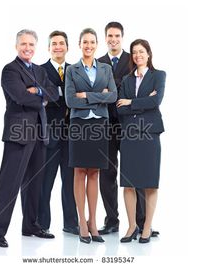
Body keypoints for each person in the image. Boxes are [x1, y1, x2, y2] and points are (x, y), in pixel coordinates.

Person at [0, 29, 59, 247]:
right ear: (16, 46)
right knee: (9, 183)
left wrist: (36, 91)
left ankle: (30, 225)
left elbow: (54, 93)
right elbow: (19, 96)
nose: (27, 48)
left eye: (31, 44)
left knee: (34, 183)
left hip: (39, 133)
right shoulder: (10, 70)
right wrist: (42, 96)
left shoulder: (39, 70)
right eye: (23, 44)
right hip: (18, 133)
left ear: (36, 47)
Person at [65, 28, 117, 244]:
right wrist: (99, 96)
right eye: (85, 42)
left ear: (97, 45)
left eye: (92, 42)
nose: (88, 45)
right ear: (80, 44)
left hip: (99, 125)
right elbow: (70, 100)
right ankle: (82, 224)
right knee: (79, 172)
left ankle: (93, 222)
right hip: (78, 124)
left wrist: (86, 95)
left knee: (94, 173)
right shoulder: (72, 70)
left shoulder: (105, 68)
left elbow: (113, 95)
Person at [98, 21, 150, 236]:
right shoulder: (98, 61)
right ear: (105, 37)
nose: (113, 39)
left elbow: (141, 87)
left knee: (135, 174)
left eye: (117, 36)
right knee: (107, 174)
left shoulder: (134, 58)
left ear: (122, 37)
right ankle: (112, 220)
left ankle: (141, 223)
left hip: (130, 125)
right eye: (110, 36)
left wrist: (111, 87)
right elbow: (94, 90)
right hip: (105, 126)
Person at [117, 39, 166, 243]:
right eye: (134, 52)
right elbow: (119, 107)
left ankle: (147, 227)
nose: (138, 55)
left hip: (149, 133)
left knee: (149, 183)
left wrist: (132, 102)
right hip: (129, 134)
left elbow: (156, 101)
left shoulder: (158, 75)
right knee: (128, 183)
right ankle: (131, 226)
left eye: (141, 51)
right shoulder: (126, 80)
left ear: (148, 54)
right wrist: (140, 103)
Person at [38, 31, 78, 235]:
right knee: (46, 179)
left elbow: (73, 97)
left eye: (61, 43)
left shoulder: (75, 69)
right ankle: (41, 223)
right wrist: (66, 93)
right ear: (49, 48)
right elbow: (44, 96)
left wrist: (55, 92)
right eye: (54, 44)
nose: (58, 47)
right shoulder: (39, 70)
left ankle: (71, 223)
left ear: (67, 47)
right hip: (49, 134)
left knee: (70, 180)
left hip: (72, 135)